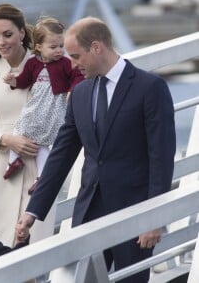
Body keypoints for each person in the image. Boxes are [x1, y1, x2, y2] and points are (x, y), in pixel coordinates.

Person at [17, 16, 176, 283]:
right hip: (89, 212)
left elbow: (161, 157)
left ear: (96, 47)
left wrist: (153, 218)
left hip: (134, 214)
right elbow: (61, 154)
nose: (72, 64)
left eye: (77, 56)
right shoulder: (79, 94)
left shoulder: (150, 87)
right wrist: (33, 211)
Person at [0, 3, 56, 247]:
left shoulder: (46, 64)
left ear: (22, 33)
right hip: (2, 170)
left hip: (40, 167)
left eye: (7, 34)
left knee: (34, 252)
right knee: (0, 249)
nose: (1, 41)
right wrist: (6, 139)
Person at [3, 17, 83, 193]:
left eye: (61, 46)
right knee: (19, 130)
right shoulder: (33, 63)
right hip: (36, 107)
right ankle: (15, 162)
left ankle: (40, 176)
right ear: (38, 47)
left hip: (53, 108)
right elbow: (24, 80)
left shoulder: (65, 63)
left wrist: (72, 90)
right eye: (53, 47)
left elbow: (77, 76)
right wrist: (14, 81)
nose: (59, 51)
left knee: (42, 145)